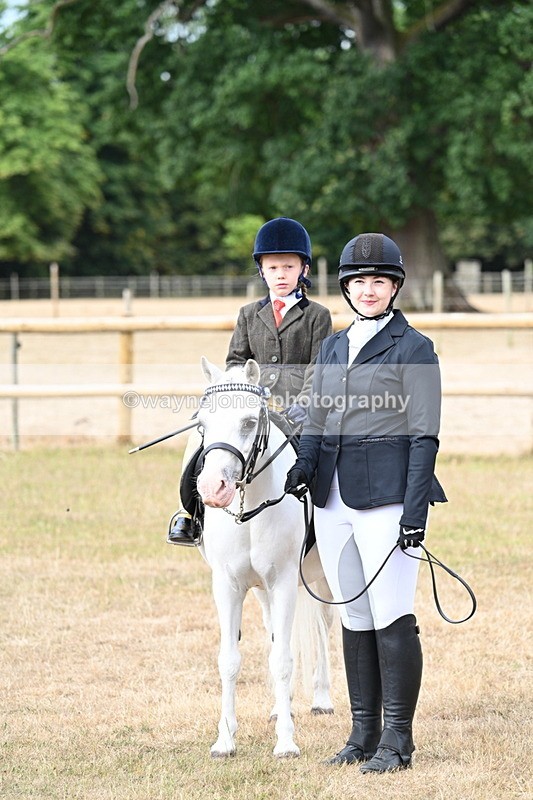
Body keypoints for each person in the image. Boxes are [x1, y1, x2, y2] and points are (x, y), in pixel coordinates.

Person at [284, 232, 447, 773]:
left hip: (386, 497)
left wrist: (415, 511)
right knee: (353, 614)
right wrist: (304, 465)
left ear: (394, 286)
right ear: (347, 288)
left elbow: (425, 436)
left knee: (391, 614)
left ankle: (398, 740)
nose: (368, 289)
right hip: (333, 500)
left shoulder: (414, 347)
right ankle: (362, 733)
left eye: (379, 281)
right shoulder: (333, 345)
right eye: (359, 282)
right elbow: (317, 416)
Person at [168, 216, 332, 545]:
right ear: (262, 271)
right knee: (200, 440)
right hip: (252, 407)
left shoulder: (318, 316)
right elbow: (234, 362)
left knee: (327, 452)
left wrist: (301, 406)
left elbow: (319, 368)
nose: (281, 274)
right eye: (273, 268)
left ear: (304, 270)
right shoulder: (247, 314)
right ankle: (191, 515)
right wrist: (240, 397)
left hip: (298, 411)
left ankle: (327, 524)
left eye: (288, 266)